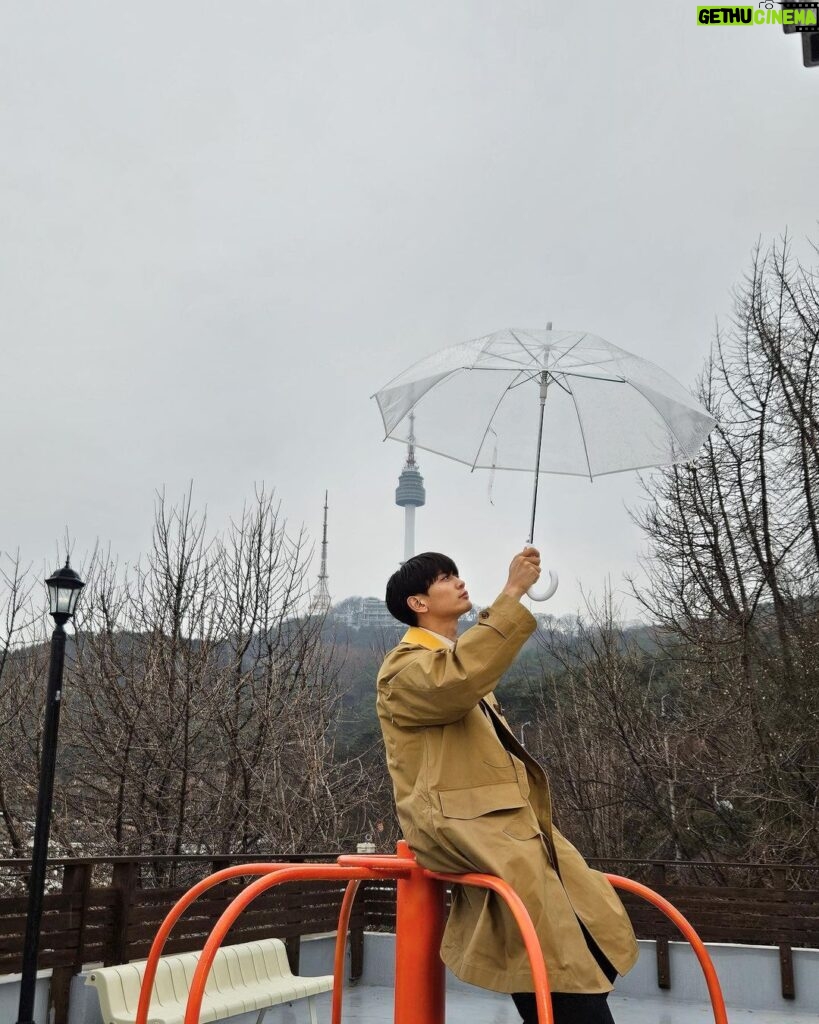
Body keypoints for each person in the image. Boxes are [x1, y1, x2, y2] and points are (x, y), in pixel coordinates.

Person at [377, 548, 638, 1024]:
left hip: (511, 826)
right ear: (417, 602)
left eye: (456, 573)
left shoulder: (452, 663)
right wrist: (513, 591)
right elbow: (457, 680)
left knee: (588, 926)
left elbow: (466, 671)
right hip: (473, 831)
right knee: (547, 952)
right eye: (444, 577)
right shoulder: (403, 670)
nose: (458, 582)